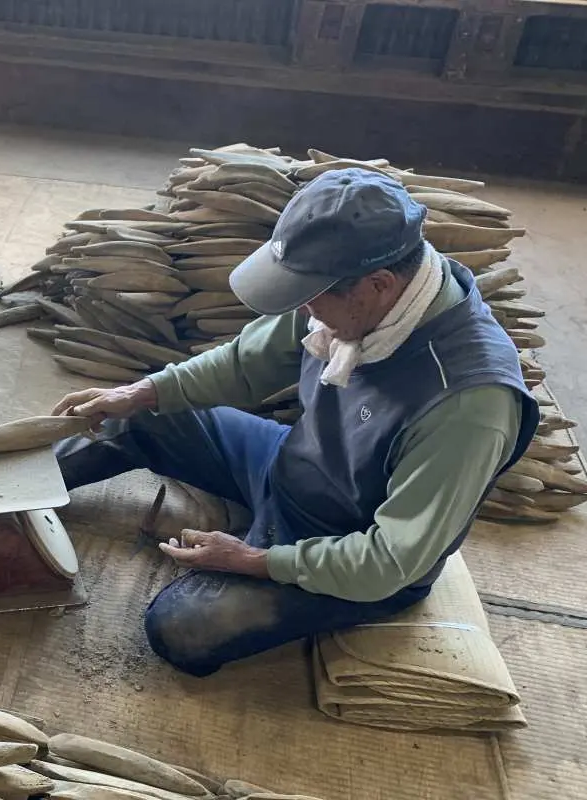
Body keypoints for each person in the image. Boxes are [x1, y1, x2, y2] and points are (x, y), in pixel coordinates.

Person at [50, 167, 539, 677]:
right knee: (139, 414)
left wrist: (254, 561)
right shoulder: (353, 291)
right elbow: (245, 364)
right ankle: (15, 492)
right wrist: (140, 392)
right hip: (289, 464)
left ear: (378, 285)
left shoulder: (468, 405)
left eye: (313, 297)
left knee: (183, 629)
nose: (304, 309)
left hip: (351, 544)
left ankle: (265, 557)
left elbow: (389, 562)